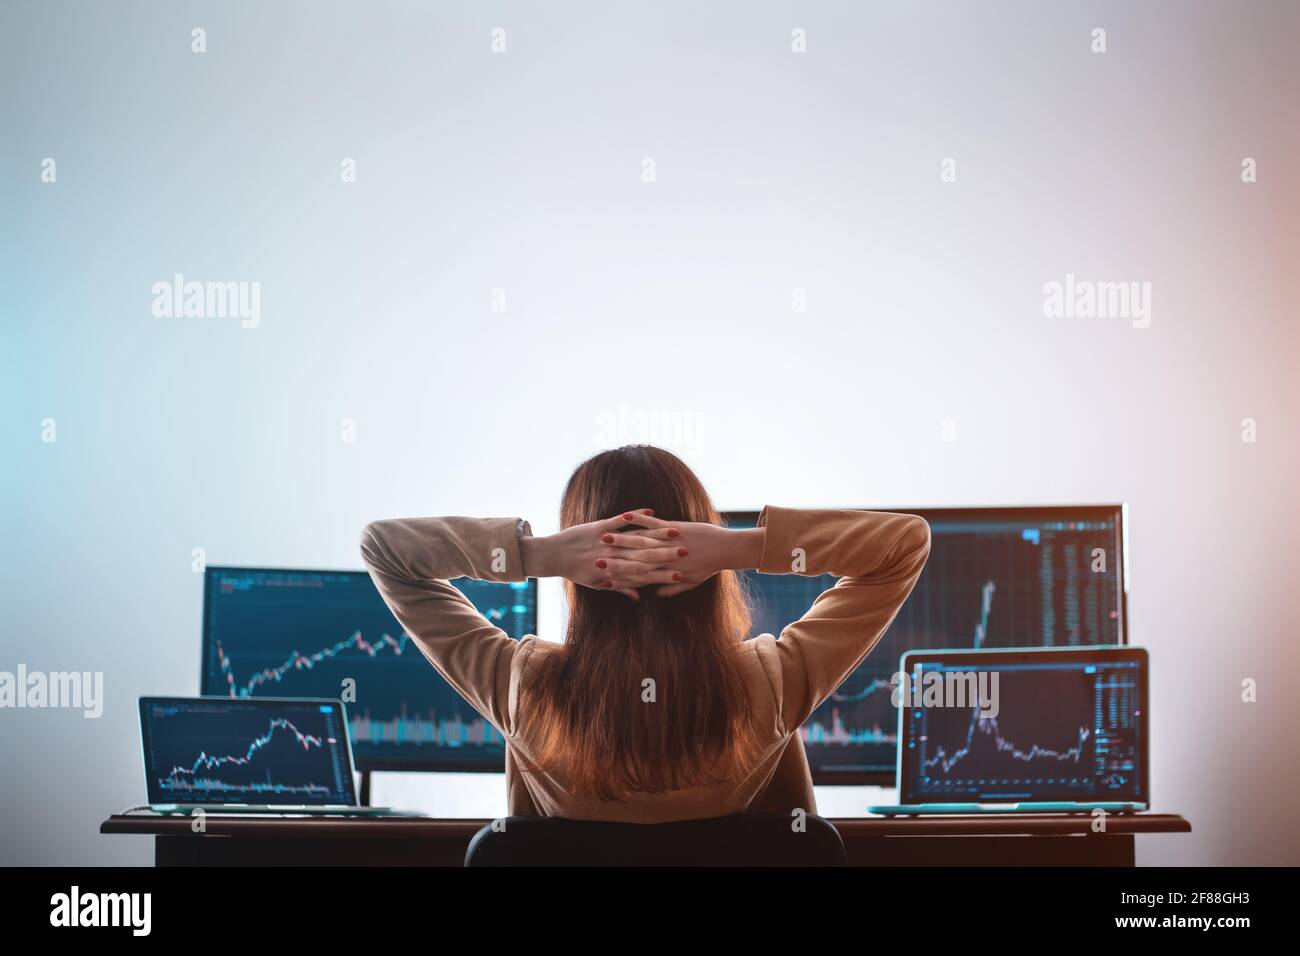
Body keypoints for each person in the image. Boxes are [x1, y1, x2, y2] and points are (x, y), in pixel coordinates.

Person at [360, 445, 930, 822]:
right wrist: (740, 546)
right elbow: (904, 545)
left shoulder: (522, 686)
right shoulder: (771, 684)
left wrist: (536, 554)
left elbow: (383, 550)